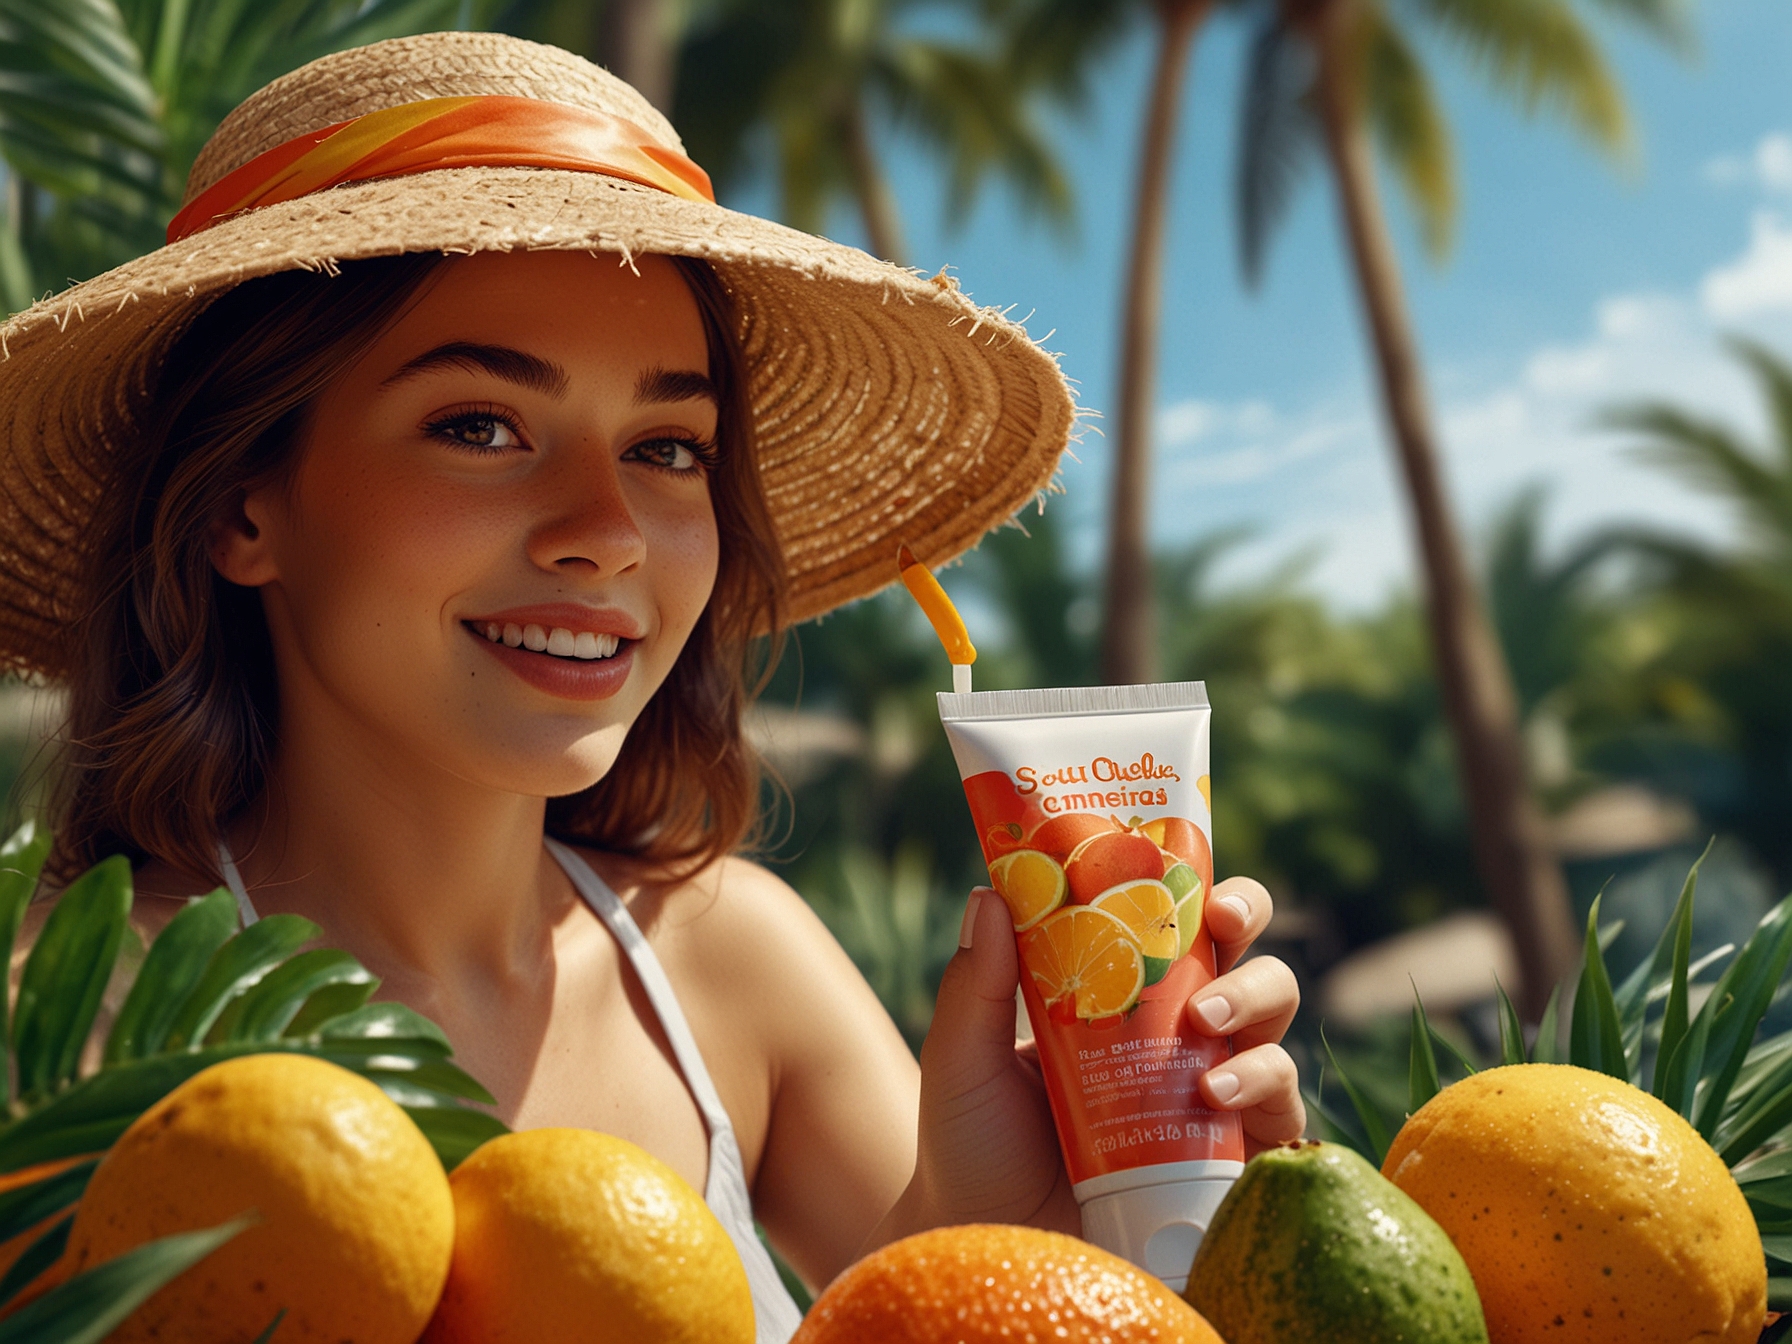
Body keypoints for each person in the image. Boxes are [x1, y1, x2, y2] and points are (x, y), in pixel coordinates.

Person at [0, 31, 1305, 1341]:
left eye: (669, 447)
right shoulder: (70, 1033)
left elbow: (955, 1310)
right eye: (480, 426)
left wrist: (1058, 1237)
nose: (609, 528)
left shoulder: (732, 959)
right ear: (242, 508)